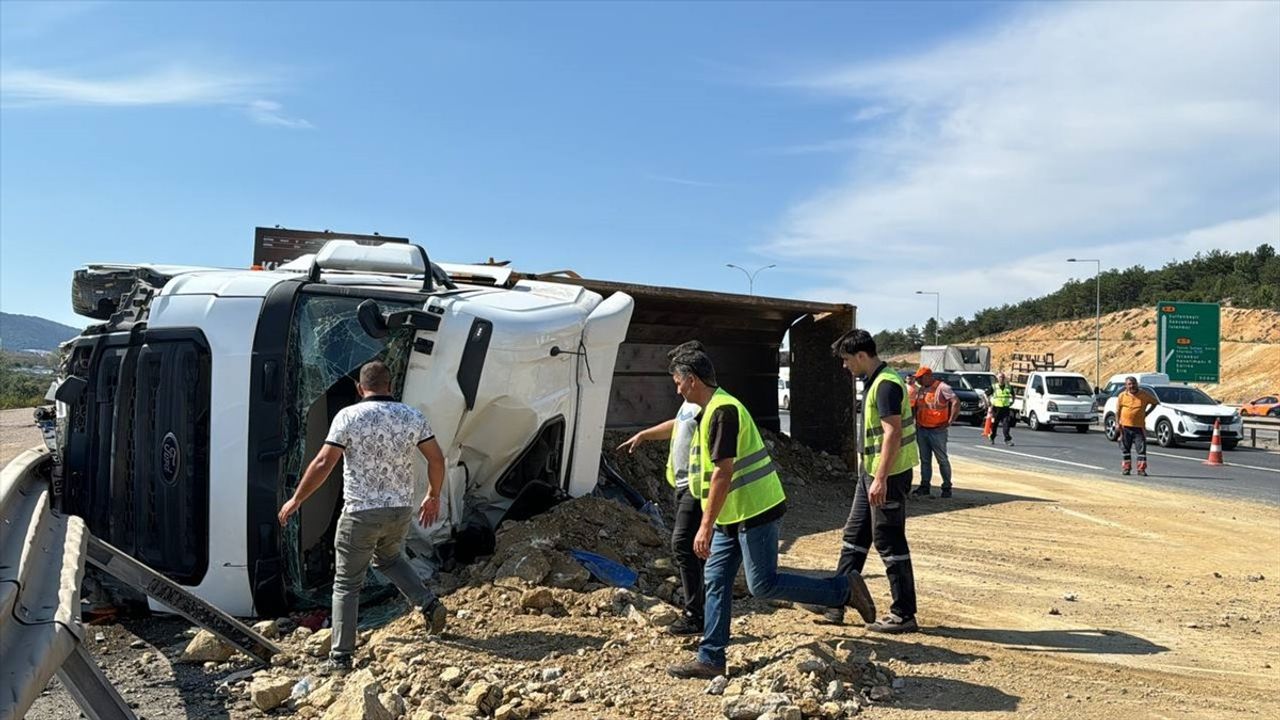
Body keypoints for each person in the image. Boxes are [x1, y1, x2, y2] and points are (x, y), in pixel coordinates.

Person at [666, 347, 875, 679]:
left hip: (756, 509)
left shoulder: (723, 411)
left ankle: (843, 590)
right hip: (730, 515)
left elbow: (723, 473)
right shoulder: (708, 410)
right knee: (716, 580)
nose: (676, 389)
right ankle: (711, 657)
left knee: (762, 585)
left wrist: (703, 526)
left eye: (678, 382)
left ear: (691, 380)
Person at [278, 360, 448, 674]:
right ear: (390, 385)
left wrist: (297, 499)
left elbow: (322, 464)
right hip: (398, 511)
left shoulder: (349, 416)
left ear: (360, 388)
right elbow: (437, 458)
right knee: (388, 558)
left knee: (346, 584)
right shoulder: (412, 416)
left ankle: (341, 657)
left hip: (360, 513)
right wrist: (432, 495)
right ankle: (428, 604)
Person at [808, 329, 921, 633]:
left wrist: (881, 479)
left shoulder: (885, 385)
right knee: (855, 537)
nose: (845, 366)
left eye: (846, 360)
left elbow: (892, 433)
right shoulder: (875, 382)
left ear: (861, 356)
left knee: (888, 539)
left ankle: (903, 613)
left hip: (888, 475)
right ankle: (838, 602)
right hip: (870, 474)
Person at [617, 340, 707, 636]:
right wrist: (644, 435)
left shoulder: (705, 403)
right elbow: (678, 425)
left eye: (678, 378)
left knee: (683, 544)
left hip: (696, 487)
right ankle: (701, 606)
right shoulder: (690, 403)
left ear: (691, 374)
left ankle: (696, 615)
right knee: (689, 547)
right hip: (683, 485)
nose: (675, 385)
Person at [909, 367, 958, 498]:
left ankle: (946, 486)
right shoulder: (921, 389)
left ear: (927, 376)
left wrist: (950, 421)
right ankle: (925, 486)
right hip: (922, 429)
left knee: (942, 459)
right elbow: (916, 407)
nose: (918, 380)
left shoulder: (942, 388)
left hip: (937, 430)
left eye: (920, 378)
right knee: (925, 460)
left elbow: (955, 402)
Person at [1116, 376, 1159, 476]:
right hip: (1125, 427)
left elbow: (1155, 403)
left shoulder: (1143, 394)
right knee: (1125, 449)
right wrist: (1117, 423)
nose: (1132, 386)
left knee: (1141, 449)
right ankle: (1126, 469)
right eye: (1129, 384)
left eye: (1133, 383)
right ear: (1126, 386)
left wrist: (1146, 413)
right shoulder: (1122, 396)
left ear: (1137, 384)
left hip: (1139, 427)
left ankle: (1141, 470)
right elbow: (1117, 411)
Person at [988, 372, 1016, 446]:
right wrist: (989, 404)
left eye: (1003, 377)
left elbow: (1013, 394)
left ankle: (1007, 440)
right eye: (1000, 377)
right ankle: (992, 437)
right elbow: (986, 394)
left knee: (1006, 425)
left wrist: (1012, 402)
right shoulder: (994, 386)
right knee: (994, 425)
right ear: (997, 378)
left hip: (1005, 409)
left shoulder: (1008, 387)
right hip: (996, 409)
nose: (1001, 379)